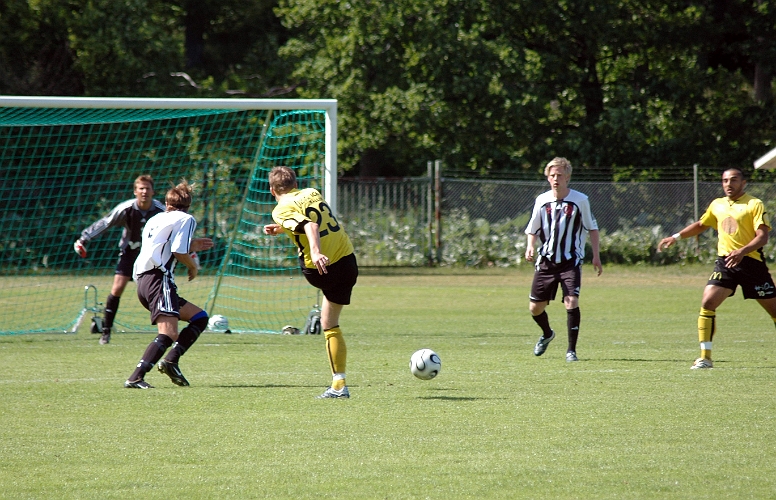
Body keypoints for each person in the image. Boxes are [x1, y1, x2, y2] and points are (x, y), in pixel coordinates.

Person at [658, 167, 776, 369]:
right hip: (726, 263)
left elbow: (762, 237)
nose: (729, 184)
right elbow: (702, 225)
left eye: (734, 180)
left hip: (751, 264)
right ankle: (705, 357)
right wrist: (676, 237)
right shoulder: (717, 205)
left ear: (743, 183)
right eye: (725, 180)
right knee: (708, 302)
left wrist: (742, 251)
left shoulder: (754, 204)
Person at [263, 166, 358, 399]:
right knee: (330, 324)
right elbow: (316, 219)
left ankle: (339, 386)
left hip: (320, 269)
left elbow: (310, 225)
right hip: (347, 261)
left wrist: (315, 252)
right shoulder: (312, 192)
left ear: (272, 189)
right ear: (295, 183)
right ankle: (338, 384)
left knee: (329, 325)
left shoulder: (281, 208)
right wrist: (282, 228)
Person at [124, 180, 214, 389]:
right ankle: (135, 377)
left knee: (199, 317)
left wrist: (192, 244)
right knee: (168, 333)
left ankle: (171, 361)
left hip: (144, 280)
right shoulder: (186, 218)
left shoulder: (156, 218)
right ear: (188, 205)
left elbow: (162, 246)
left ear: (166, 203)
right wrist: (193, 267)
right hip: (159, 278)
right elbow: (178, 251)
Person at [524, 157, 603, 362]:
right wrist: (530, 246)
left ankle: (571, 351)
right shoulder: (541, 200)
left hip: (570, 261)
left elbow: (592, 228)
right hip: (547, 261)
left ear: (568, 177)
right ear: (548, 178)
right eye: (552, 175)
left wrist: (596, 255)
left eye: (560, 175)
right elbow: (533, 229)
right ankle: (547, 334)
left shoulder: (580, 200)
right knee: (535, 308)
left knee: (571, 301)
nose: (556, 179)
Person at [74, 175, 166, 344]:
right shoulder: (126, 208)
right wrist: (84, 238)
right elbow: (105, 223)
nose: (144, 192)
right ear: (135, 191)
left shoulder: (161, 210)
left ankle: (166, 332)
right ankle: (106, 332)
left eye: (147, 188)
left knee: (156, 292)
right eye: (141, 188)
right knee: (117, 289)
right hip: (129, 253)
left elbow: (176, 227)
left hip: (151, 256)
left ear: (153, 191)